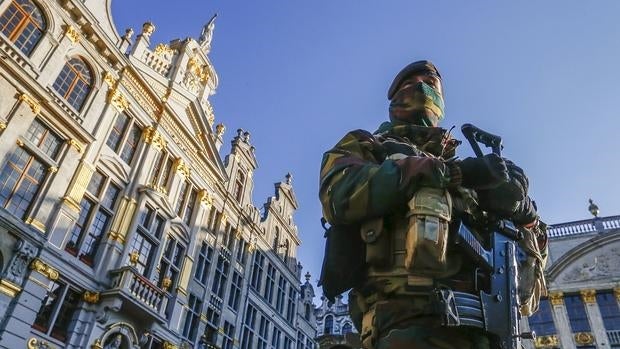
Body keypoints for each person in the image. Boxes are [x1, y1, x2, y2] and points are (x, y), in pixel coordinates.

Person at [318, 60, 548, 349]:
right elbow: (340, 194)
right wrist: (451, 173)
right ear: (394, 100)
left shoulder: (477, 174)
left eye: (432, 86)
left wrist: (525, 216)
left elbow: (530, 292)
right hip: (404, 324)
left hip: (489, 334)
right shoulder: (368, 145)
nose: (422, 89)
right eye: (410, 85)